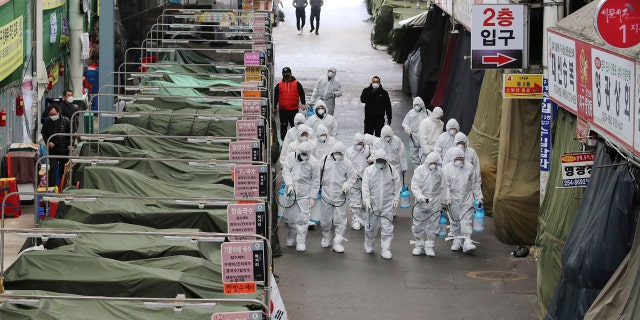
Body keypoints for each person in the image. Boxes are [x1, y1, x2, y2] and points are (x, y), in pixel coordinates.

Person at [362, 149, 401, 260]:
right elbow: (365, 187)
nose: (380, 163)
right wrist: (367, 200)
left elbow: (397, 186)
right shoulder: (369, 171)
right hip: (373, 204)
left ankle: (385, 248)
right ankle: (369, 245)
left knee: (387, 228)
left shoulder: (391, 170)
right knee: (371, 227)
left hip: (387, 204)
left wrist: (396, 199)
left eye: (382, 161)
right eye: (378, 160)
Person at [442, 147, 483, 253]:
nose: (459, 160)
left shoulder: (469, 167)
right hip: (453, 198)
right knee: (455, 220)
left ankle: (467, 240)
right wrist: (447, 198)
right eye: (457, 158)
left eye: (461, 158)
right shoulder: (447, 169)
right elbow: (445, 185)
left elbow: (475, 184)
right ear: (452, 158)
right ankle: (457, 239)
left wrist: (478, 197)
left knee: (467, 220)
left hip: (467, 197)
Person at [282, 141, 320, 252]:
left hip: (305, 193)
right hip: (291, 192)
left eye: (306, 154)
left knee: (303, 219)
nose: (303, 156)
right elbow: (286, 171)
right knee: (289, 218)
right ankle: (291, 236)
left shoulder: (314, 162)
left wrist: (313, 197)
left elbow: (315, 180)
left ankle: (301, 241)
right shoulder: (291, 157)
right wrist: (289, 185)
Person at [319, 142, 356, 253]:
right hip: (326, 194)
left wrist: (346, 186)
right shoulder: (324, 160)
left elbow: (352, 177)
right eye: (336, 153)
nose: (338, 155)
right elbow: (317, 173)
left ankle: (338, 242)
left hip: (340, 196)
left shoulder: (347, 163)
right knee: (325, 219)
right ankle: (326, 237)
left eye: (340, 153)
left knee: (340, 220)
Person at [410, 152, 449, 256]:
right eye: (431, 162)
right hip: (421, 200)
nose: (433, 165)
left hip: (435, 200)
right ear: (427, 162)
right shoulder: (420, 170)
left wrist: (444, 201)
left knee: (433, 224)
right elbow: (414, 185)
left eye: (435, 163)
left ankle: (430, 246)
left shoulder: (440, 172)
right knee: (418, 224)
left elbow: (444, 187)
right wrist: (420, 197)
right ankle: (418, 245)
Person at [345, 133, 374, 230]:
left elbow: (376, 157)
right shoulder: (349, 152)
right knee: (355, 199)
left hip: (366, 179)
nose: (360, 145)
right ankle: (355, 218)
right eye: (358, 143)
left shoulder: (368, 150)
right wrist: (353, 173)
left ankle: (364, 217)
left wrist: (372, 158)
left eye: (362, 143)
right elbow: (346, 165)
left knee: (365, 199)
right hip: (355, 180)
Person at [41, 104, 73, 187]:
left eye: (54, 114)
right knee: (53, 169)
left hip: (64, 150)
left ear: (58, 112)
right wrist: (48, 142)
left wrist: (71, 145)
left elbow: (71, 134)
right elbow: (44, 134)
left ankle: (63, 187)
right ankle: (52, 187)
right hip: (53, 151)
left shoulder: (66, 121)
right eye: (51, 115)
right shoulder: (47, 123)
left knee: (63, 170)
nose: (53, 116)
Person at [274, 67, 306, 141]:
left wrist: (303, 103)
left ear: (291, 74)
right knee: (283, 127)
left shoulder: (297, 83)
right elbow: (275, 96)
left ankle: (295, 141)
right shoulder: (279, 85)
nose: (286, 75)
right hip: (283, 110)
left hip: (294, 110)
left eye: (287, 73)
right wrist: (275, 107)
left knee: (294, 127)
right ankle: (284, 142)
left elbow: (302, 94)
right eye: (284, 74)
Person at [402, 97, 429, 165]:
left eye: (418, 105)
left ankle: (423, 167)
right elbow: (405, 123)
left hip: (424, 137)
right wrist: (407, 129)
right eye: (415, 105)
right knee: (414, 153)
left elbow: (432, 122)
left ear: (422, 105)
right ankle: (416, 168)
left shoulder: (427, 113)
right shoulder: (411, 113)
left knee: (425, 153)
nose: (417, 107)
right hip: (413, 137)